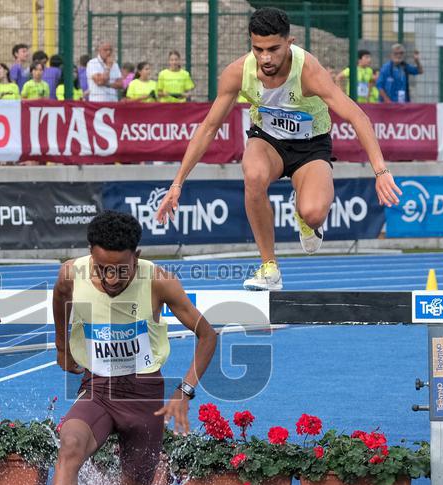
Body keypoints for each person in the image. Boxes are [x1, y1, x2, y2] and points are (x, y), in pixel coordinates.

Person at [18, 211, 217, 485]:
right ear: (90, 255)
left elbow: (208, 335)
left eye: (120, 270)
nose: (110, 279)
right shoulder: (71, 274)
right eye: (102, 268)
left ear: (136, 257)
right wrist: (62, 347)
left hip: (145, 398)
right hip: (98, 388)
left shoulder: (158, 282)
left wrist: (185, 391)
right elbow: (60, 298)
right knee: (70, 444)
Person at [155, 7, 400, 290]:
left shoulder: (309, 72)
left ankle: (305, 217)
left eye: (273, 49)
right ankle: (269, 267)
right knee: (253, 175)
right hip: (267, 141)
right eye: (258, 49)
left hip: (311, 146)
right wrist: (177, 183)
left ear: (289, 43)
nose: (265, 58)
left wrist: (380, 171)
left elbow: (357, 116)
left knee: (314, 213)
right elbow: (209, 127)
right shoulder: (238, 73)